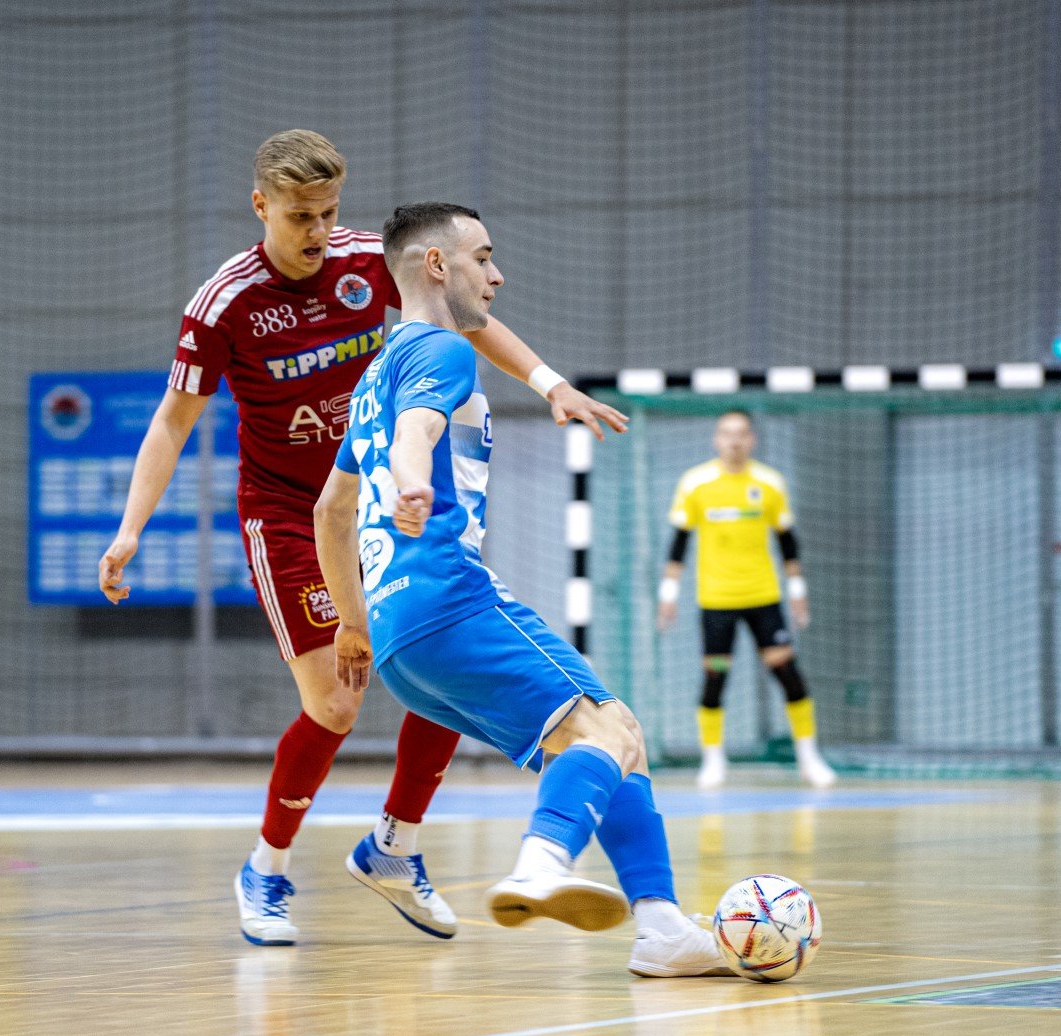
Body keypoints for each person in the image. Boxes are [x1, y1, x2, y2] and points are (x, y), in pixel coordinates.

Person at [98, 130, 627, 947]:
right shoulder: (223, 302)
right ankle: (266, 871)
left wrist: (551, 384)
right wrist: (132, 529)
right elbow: (172, 424)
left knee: (444, 648)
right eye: (301, 216)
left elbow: (468, 317)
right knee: (336, 702)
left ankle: (395, 845)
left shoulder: (364, 260)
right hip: (285, 512)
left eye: (329, 212)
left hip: (379, 497)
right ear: (260, 206)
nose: (317, 231)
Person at [314, 201, 727, 977]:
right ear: (438, 265)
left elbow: (328, 511)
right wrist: (411, 483)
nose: (497, 274)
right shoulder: (441, 352)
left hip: (401, 639)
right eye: (483, 256)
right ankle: (540, 865)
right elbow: (418, 437)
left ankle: (664, 927)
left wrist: (353, 622)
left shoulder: (376, 373)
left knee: (614, 738)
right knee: (606, 733)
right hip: (452, 600)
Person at [657, 411, 837, 790]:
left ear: (751, 440)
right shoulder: (696, 483)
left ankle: (809, 758)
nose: (734, 441)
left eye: (741, 434)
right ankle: (713, 761)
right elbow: (679, 542)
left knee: (788, 675)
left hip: (763, 597)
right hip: (716, 600)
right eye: (726, 433)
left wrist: (798, 592)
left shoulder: (769, 483)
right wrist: (668, 595)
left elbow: (787, 542)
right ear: (716, 439)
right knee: (715, 676)